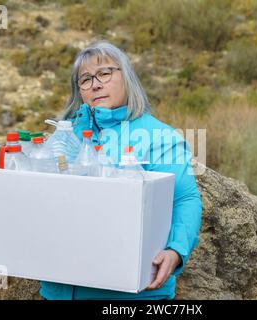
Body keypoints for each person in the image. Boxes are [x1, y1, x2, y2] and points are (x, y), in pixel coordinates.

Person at [39, 41, 203, 300]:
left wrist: (176, 250)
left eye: (104, 73)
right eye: (85, 79)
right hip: (58, 290)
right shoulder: (65, 135)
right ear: (79, 91)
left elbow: (185, 199)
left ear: (127, 77)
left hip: (130, 295)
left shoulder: (158, 136)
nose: (95, 84)